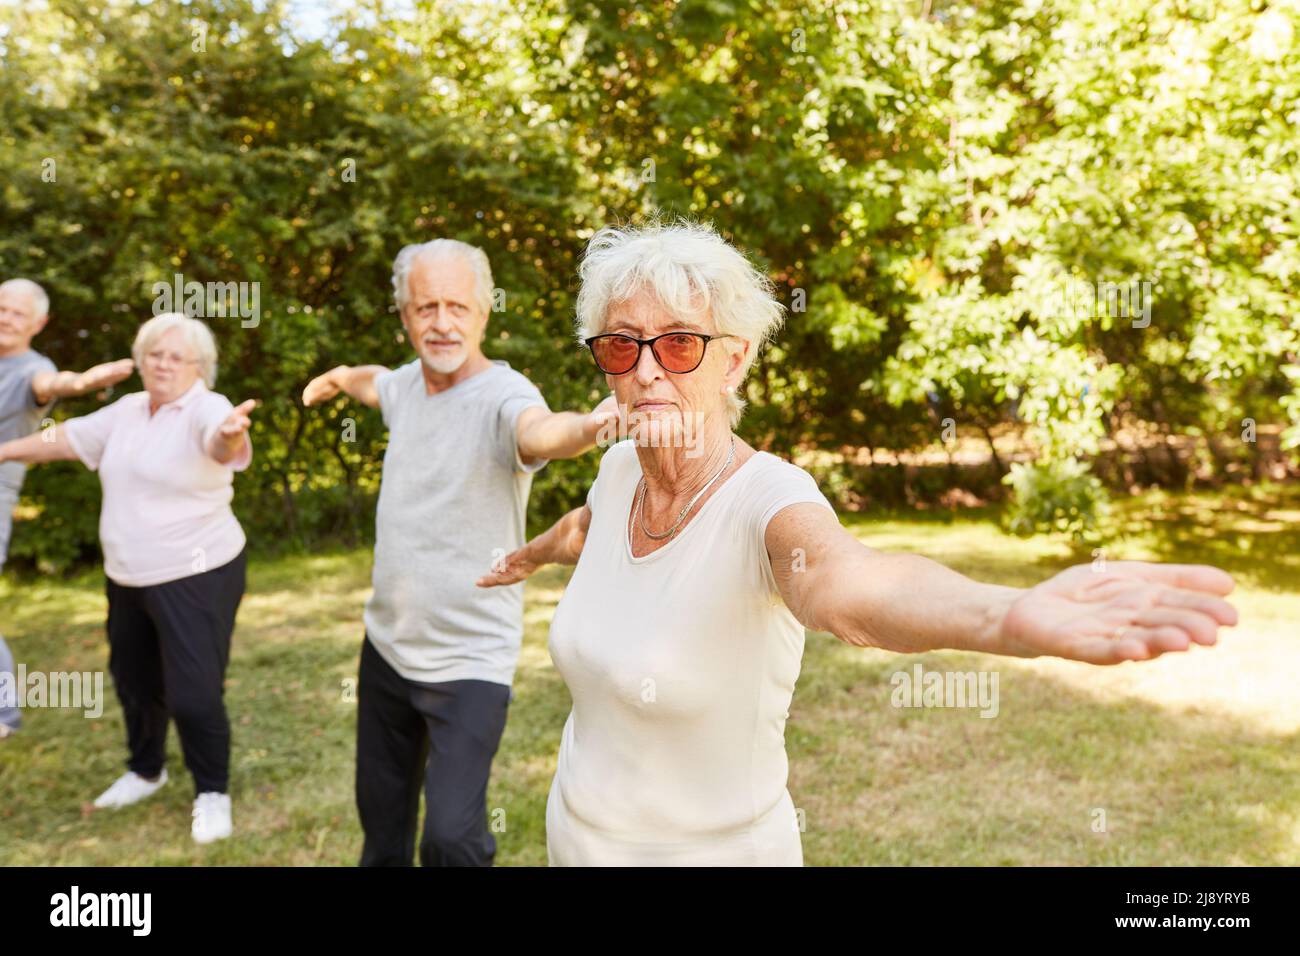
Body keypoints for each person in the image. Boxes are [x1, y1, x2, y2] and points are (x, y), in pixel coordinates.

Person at [476, 220, 1240, 866]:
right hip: (574, 842)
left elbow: (849, 583)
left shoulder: (766, 501)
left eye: (678, 346)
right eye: (620, 346)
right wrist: (536, 551)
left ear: (734, 357)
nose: (646, 372)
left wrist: (1000, 615)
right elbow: (591, 529)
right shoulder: (617, 473)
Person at [302, 239, 616, 867]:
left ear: (483, 313)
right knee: (382, 828)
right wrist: (340, 378)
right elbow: (374, 383)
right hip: (388, 648)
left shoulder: (503, 396)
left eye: (457, 307)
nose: (442, 323)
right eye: (425, 308)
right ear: (404, 316)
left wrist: (588, 427)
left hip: (469, 660)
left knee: (450, 838)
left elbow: (540, 430)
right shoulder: (403, 387)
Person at [0, 312, 256, 844]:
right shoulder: (130, 410)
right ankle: (146, 770)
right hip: (129, 575)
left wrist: (231, 439)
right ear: (140, 360)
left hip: (196, 571)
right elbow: (65, 439)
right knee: (134, 681)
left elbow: (220, 444)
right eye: (153, 354)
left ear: (199, 366)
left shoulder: (209, 408)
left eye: (175, 356)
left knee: (192, 693)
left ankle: (212, 793)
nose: (162, 364)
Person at [0, 277, 134, 739]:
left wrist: (86, 381)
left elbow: (54, 384)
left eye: (17, 313)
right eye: (1, 307)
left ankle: (3, 714)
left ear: (38, 323)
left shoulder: (32, 370)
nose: (5, 317)